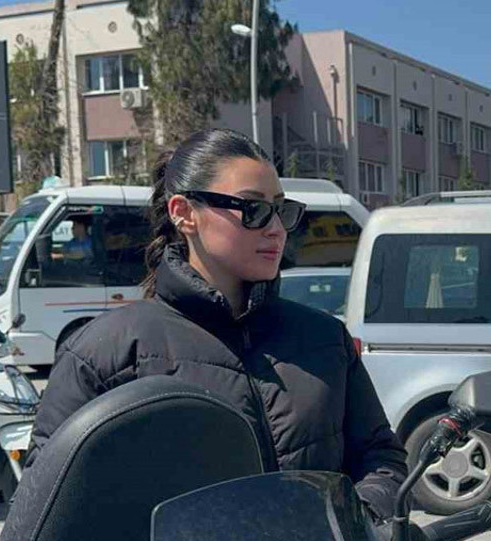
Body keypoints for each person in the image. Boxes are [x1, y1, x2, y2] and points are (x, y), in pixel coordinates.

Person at [29, 128, 406, 519]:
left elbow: (380, 457)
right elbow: (48, 502)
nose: (275, 228)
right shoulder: (105, 352)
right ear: (184, 213)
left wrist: (357, 522)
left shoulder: (324, 338)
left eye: (281, 209)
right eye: (252, 209)